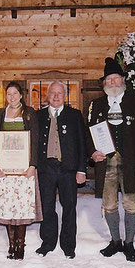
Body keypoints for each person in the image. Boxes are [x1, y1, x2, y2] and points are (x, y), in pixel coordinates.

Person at [87, 58, 135, 262]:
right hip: (106, 162)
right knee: (109, 203)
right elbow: (88, 134)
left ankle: (129, 243)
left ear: (122, 80)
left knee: (131, 202)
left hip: (130, 160)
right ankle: (115, 240)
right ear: (104, 83)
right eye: (109, 80)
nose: (112, 83)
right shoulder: (96, 104)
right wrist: (92, 153)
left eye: (115, 79)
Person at [0, 81, 41, 259]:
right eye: (8, 94)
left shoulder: (29, 113)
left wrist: (32, 165)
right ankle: (11, 245)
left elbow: (35, 140)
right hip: (4, 170)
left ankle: (20, 246)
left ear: (21, 95)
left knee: (22, 208)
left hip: (23, 170)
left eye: (15, 94)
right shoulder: (0, 113)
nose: (12, 97)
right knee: (8, 208)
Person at [36, 81, 87, 258]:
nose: (56, 97)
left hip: (68, 169)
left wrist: (82, 169)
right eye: (52, 93)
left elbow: (82, 143)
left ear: (65, 96)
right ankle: (48, 242)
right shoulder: (39, 116)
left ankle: (68, 245)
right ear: (47, 96)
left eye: (59, 93)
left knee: (69, 206)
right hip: (46, 168)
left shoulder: (74, 115)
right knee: (47, 206)